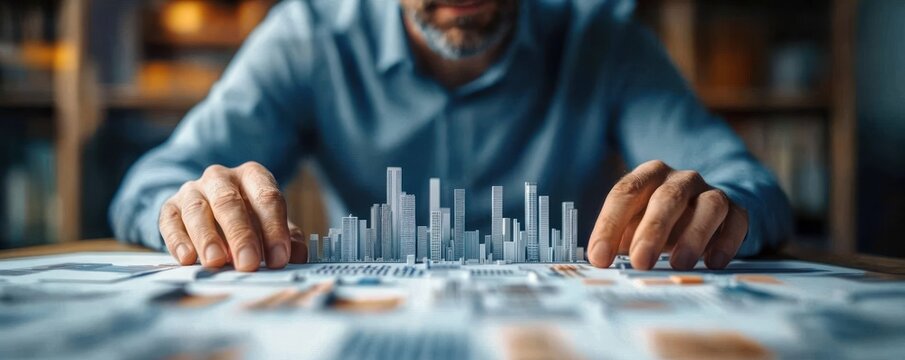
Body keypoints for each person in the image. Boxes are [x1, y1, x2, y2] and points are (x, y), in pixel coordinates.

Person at [110, 0, 792, 272]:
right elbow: (149, 185)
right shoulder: (308, 37)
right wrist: (190, 203)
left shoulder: (603, 39)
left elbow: (749, 187)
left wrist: (719, 206)